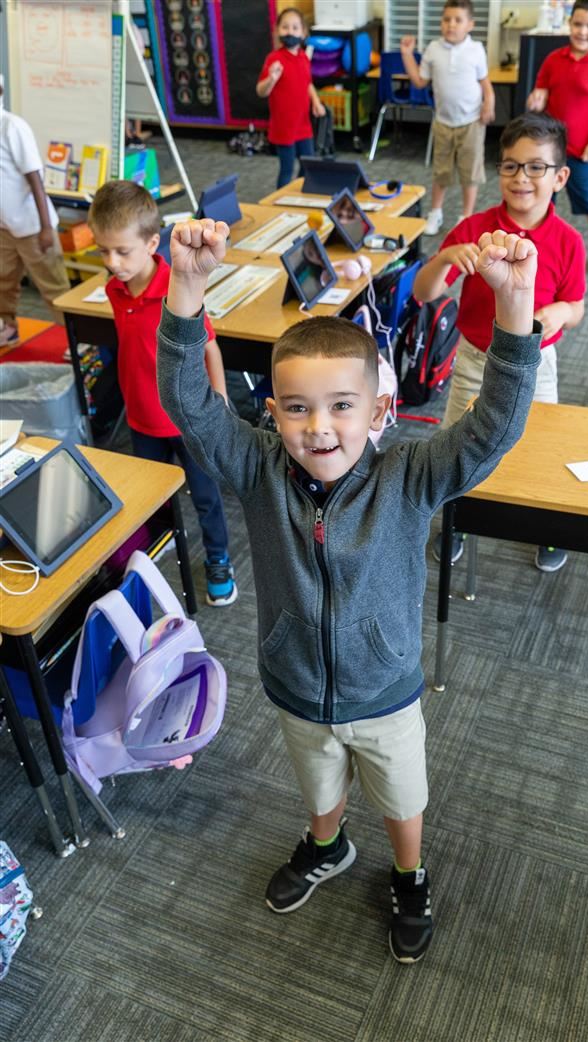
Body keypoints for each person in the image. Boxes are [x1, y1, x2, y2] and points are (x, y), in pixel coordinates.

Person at [156, 215, 542, 964]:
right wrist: (187, 286)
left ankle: (408, 873)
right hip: (295, 683)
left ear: (378, 413)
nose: (318, 426)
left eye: (341, 406)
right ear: (271, 414)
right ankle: (326, 846)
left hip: (386, 690)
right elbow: (189, 408)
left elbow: (493, 427)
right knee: (317, 782)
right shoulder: (258, 467)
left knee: (403, 802)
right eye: (296, 408)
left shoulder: (410, 476)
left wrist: (514, 307)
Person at [414, 112, 585, 573]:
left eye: (535, 167)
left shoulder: (568, 241)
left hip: (536, 361)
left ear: (560, 176)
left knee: (541, 447)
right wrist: (447, 256)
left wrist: (560, 313)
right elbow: (424, 293)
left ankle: (544, 526)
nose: (521, 178)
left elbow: (577, 305)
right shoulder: (474, 230)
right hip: (474, 360)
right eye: (510, 165)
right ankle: (456, 522)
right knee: (457, 447)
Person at [87, 181, 237, 607]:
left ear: (153, 242)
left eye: (122, 251)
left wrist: (221, 398)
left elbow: (209, 344)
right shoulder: (116, 289)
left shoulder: (179, 287)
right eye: (103, 251)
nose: (112, 263)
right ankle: (160, 538)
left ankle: (219, 558)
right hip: (141, 418)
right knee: (151, 494)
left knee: (206, 496)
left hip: (186, 419)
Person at [527, 0, 588, 277]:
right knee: (543, 199)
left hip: (582, 151)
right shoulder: (554, 59)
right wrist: (537, 98)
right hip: (550, 150)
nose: (583, 31)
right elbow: (541, 91)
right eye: (578, 24)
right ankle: (540, 249)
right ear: (569, 24)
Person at [400, 0, 495, 237]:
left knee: (469, 173)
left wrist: (488, 105)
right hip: (443, 122)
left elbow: (486, 84)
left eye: (458, 20)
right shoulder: (433, 49)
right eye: (446, 19)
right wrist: (406, 55)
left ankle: (466, 216)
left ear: (470, 25)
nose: (451, 24)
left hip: (471, 122)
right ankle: (435, 212)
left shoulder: (476, 50)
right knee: (441, 171)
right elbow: (420, 81)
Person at [0, 75, 70, 347]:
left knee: (53, 286)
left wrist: (44, 228)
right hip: (5, 226)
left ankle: (75, 339)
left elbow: (35, 179)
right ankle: (7, 326)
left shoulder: (12, 127)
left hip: (32, 226)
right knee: (4, 282)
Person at [257, 7, 326, 189]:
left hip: (303, 125)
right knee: (286, 169)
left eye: (295, 28)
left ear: (303, 32)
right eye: (285, 27)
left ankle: (298, 196)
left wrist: (316, 102)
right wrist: (272, 79)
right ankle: (280, 201)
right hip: (283, 127)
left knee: (309, 165)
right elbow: (261, 91)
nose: (290, 31)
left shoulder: (304, 57)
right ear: (277, 30)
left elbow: (307, 83)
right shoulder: (274, 59)